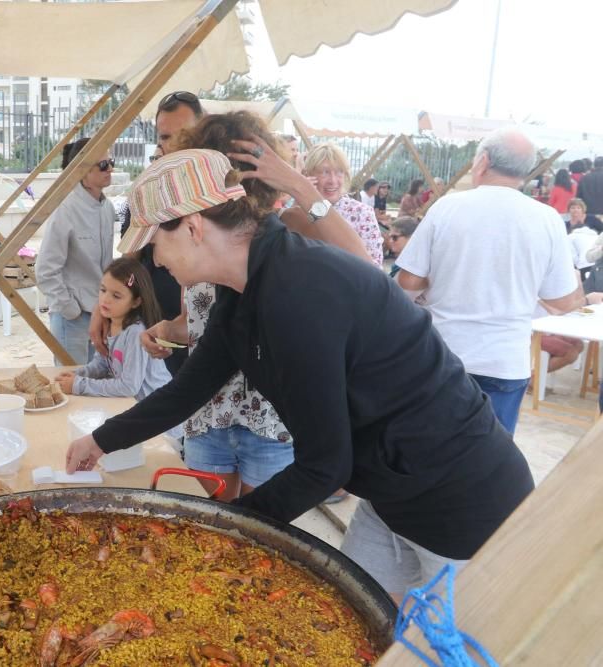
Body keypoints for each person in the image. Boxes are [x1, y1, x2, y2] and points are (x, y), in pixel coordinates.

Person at [66, 148, 536, 600]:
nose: (155, 261)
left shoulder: (299, 292)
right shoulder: (240, 291)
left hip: (462, 500)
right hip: (388, 491)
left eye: (155, 244)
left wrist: (223, 529)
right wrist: (101, 441)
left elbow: (325, 465)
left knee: (444, 649)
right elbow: (189, 389)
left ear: (191, 227)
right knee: (356, 624)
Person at [142, 113, 297, 501]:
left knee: (263, 531)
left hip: (267, 419)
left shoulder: (280, 234)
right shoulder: (193, 239)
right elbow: (194, 321)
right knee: (212, 529)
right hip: (208, 412)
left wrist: (298, 184)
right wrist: (165, 331)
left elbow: (365, 276)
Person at [396, 127, 583, 434]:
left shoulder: (447, 207)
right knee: (488, 463)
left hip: (443, 353)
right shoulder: (547, 218)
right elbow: (563, 301)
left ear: (481, 162)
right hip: (505, 360)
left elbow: (408, 281)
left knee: (429, 452)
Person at [91, 92, 205, 373]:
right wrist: (103, 306)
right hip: (158, 330)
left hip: (209, 334)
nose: (175, 145)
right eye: (165, 137)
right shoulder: (148, 191)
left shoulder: (220, 189)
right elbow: (129, 259)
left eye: (184, 135)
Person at [35, 137, 116, 365]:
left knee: (97, 381)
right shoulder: (65, 208)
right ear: (82, 171)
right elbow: (46, 270)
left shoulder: (107, 207)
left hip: (100, 312)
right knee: (71, 383)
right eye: (102, 165)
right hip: (73, 317)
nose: (109, 169)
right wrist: (71, 309)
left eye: (111, 162)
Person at [55, 258, 174, 410]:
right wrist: (77, 375)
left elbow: (129, 386)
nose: (105, 299)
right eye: (103, 290)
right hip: (136, 410)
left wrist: (79, 385)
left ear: (136, 302)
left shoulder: (136, 333)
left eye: (116, 296)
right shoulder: (110, 324)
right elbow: (102, 364)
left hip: (160, 418)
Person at [286, 143, 384, 267]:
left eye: (339, 172)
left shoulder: (361, 213)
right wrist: (300, 201)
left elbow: (376, 268)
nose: (333, 181)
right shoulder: (296, 210)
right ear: (308, 175)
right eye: (325, 172)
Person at [568, 197, 602, 277]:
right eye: (573, 208)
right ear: (569, 210)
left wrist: (577, 266)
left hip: (585, 262)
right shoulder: (566, 224)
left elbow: (572, 256)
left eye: (578, 208)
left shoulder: (592, 219)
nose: (575, 210)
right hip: (596, 260)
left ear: (583, 209)